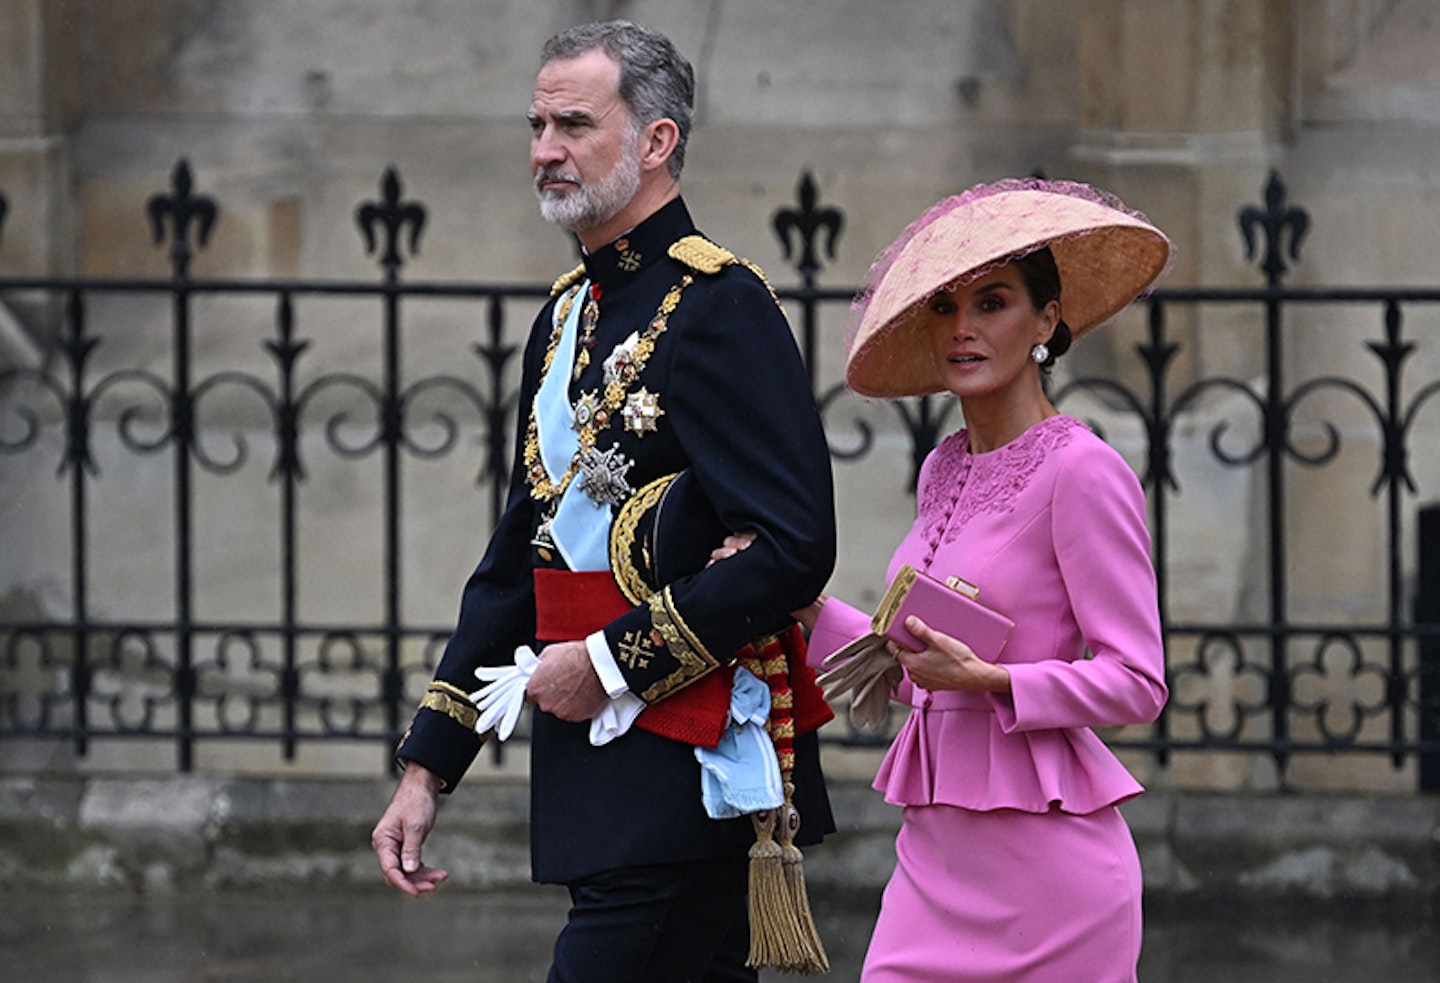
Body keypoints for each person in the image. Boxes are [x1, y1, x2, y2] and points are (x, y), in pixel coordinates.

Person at [370, 20, 837, 983]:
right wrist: (428, 766)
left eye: (574, 125)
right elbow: (519, 560)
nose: (545, 151)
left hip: (685, 762)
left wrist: (613, 664)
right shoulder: (566, 314)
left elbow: (795, 546)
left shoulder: (720, 305)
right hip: (594, 772)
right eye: (537, 125)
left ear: (657, 141)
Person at [794, 178, 1172, 981]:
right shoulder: (942, 466)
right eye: (944, 307)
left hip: (1053, 885)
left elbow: (1137, 681)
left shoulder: (1083, 470)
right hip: (932, 868)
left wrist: (995, 678)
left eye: (992, 302)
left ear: (1046, 321)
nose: (962, 329)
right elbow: (920, 674)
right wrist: (803, 605)